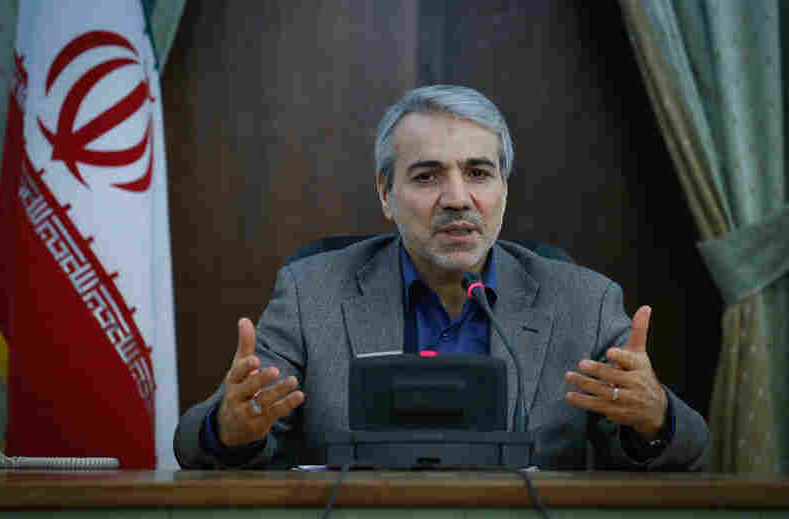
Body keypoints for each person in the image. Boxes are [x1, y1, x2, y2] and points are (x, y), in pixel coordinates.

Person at [173, 85, 709, 471]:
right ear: (386, 195)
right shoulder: (311, 294)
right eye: (427, 176)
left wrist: (653, 420)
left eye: (478, 173)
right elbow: (195, 443)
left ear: (504, 190)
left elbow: (689, 448)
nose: (457, 198)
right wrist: (230, 431)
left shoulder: (584, 302)